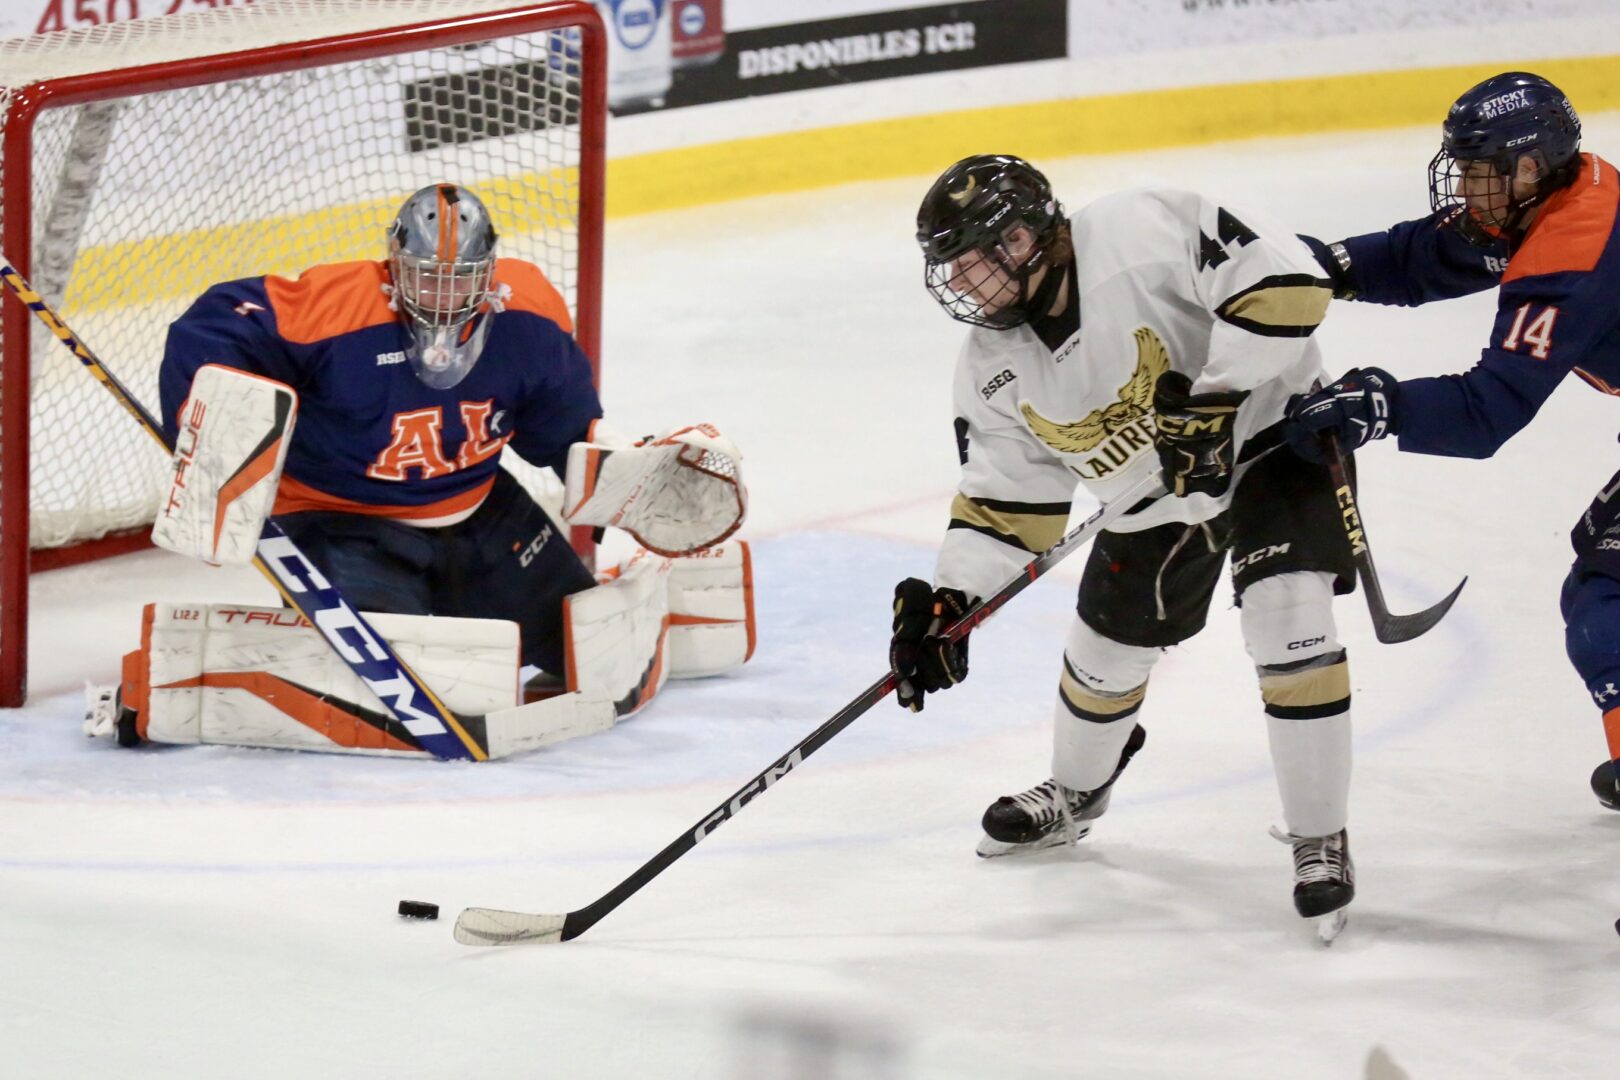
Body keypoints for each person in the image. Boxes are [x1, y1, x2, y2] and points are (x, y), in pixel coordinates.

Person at [891, 154, 1360, 933]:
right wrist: (953, 601)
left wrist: (1216, 398)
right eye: (953, 271)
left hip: (1272, 436)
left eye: (973, 262)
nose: (964, 286)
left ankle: (1319, 836)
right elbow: (1008, 505)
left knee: (1287, 614)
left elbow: (1291, 285)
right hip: (1151, 492)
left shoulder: (1141, 227)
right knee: (1105, 652)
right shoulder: (992, 367)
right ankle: (1076, 793)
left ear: (1023, 238)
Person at [1282, 72, 1620, 813]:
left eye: (1475, 168)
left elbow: (1486, 411)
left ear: (1528, 166)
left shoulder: (1574, 252)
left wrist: (1384, 407)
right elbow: (1423, 259)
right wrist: (1322, 268)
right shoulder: (1556, 197)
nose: (1463, 183)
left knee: (1608, 599)